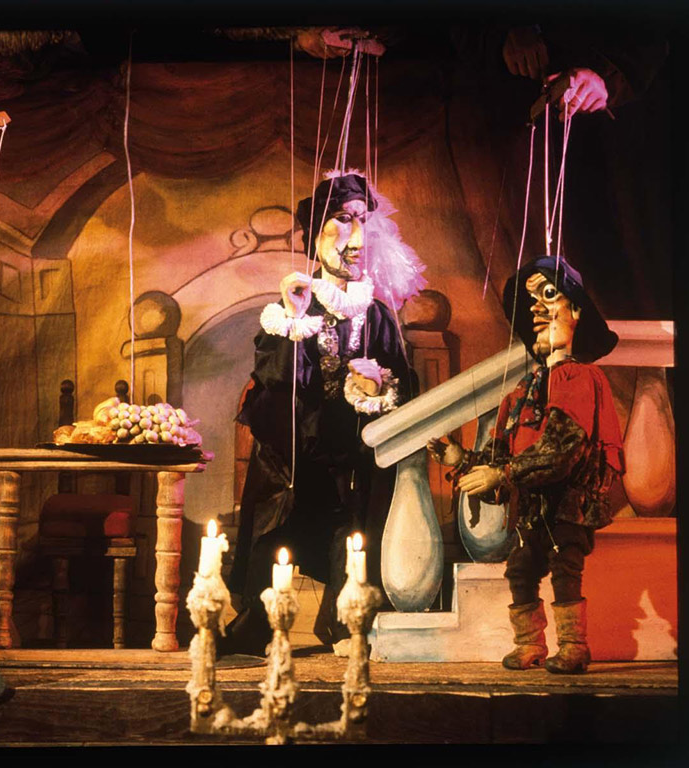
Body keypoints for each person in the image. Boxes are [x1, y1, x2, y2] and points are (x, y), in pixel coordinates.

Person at [221, 171, 420, 657]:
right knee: (272, 536)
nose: (356, 236)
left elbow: (403, 384)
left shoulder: (376, 314)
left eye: (362, 220)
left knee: (348, 538)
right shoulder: (295, 302)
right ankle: (257, 626)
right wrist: (294, 320)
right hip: (293, 454)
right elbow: (275, 378)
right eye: (343, 219)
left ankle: (342, 622)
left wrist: (378, 384)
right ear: (315, 235)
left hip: (347, 456)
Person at [427, 255, 624, 674]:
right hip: (532, 509)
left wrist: (502, 473)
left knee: (565, 568)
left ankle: (573, 645)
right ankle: (529, 643)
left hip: (568, 505)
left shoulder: (578, 378)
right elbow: (503, 459)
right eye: (532, 300)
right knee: (520, 570)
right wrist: (462, 460)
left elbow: (560, 451)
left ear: (576, 311)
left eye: (549, 295)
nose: (536, 308)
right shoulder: (523, 390)